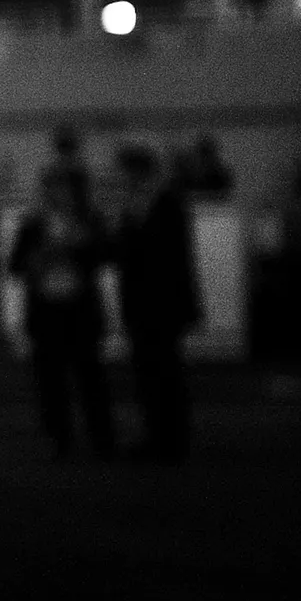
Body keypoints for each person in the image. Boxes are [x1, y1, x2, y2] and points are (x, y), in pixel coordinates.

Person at [10, 163, 118, 459]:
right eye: (51, 189)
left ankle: (101, 437)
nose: (57, 195)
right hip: (46, 313)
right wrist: (41, 255)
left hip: (80, 311)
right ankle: (59, 438)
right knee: (50, 380)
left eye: (63, 189)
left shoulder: (89, 221)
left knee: (90, 377)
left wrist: (82, 243)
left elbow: (106, 256)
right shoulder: (32, 225)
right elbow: (16, 265)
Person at [109, 143, 201, 463]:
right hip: (148, 303)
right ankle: (160, 435)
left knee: (164, 372)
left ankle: (170, 439)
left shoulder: (163, 204)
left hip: (160, 304)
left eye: (122, 173)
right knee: (151, 372)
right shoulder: (152, 203)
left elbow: (162, 257)